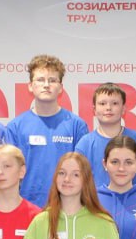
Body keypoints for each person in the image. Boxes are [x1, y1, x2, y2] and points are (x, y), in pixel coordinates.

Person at [5, 55, 89, 206]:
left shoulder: (77, 125)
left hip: (67, 206)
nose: (46, 85)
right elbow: (10, 173)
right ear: (30, 86)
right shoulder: (15, 127)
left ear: (61, 87)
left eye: (52, 80)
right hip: (27, 206)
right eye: (40, 80)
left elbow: (83, 171)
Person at [75, 82, 136, 194]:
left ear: (123, 109)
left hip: (132, 204)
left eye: (114, 103)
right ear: (94, 109)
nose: (108, 108)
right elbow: (77, 185)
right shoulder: (85, 144)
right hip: (95, 204)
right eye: (102, 103)